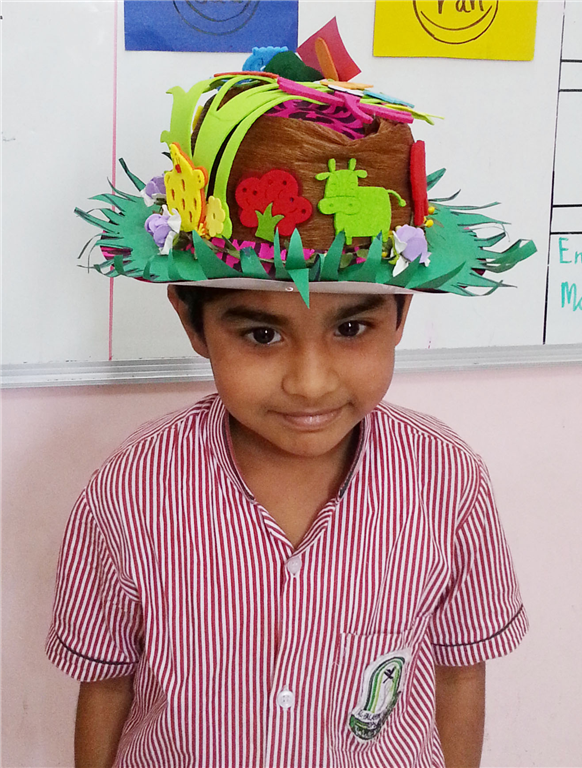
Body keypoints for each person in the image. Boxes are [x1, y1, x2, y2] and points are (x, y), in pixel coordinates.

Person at [47, 33, 534, 768]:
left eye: (351, 327)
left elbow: (461, 669)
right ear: (194, 323)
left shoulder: (448, 483)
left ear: (401, 315)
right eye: (262, 335)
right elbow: (107, 682)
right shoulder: (128, 492)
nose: (310, 382)